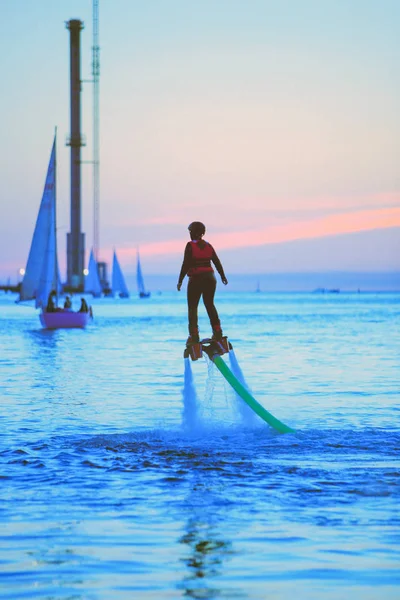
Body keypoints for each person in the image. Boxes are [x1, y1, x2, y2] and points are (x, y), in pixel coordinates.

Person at [177, 221, 228, 345]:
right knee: (209, 304)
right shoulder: (208, 245)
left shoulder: (190, 246)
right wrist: (222, 276)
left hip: (196, 279)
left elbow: (186, 264)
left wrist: (180, 280)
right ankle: (217, 332)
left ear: (193, 233)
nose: (189, 234)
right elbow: (216, 261)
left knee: (192, 307)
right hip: (210, 278)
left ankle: (194, 336)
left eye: (190, 232)